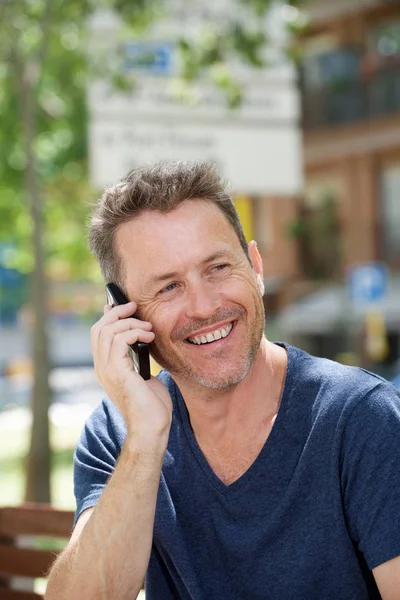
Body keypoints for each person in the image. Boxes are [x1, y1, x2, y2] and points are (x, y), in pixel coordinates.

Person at [45, 161, 400, 600]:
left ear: (255, 266)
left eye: (217, 268)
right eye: (169, 287)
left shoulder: (362, 418)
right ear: (124, 314)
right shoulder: (121, 431)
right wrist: (145, 439)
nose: (203, 305)